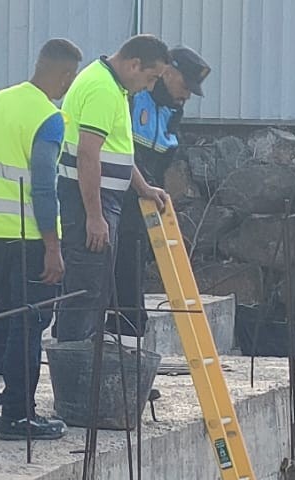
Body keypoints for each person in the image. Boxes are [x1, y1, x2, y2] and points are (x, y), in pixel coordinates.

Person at [0, 39, 81, 439]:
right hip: (30, 234)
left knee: (2, 318)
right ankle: (17, 414)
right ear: (64, 75)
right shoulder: (48, 117)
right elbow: (44, 187)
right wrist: (53, 246)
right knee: (29, 324)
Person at [51, 36, 177, 346]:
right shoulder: (103, 90)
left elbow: (115, 150)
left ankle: (86, 371)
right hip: (90, 201)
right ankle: (75, 371)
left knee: (97, 288)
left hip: (101, 197)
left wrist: (142, 186)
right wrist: (94, 216)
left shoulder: (111, 84)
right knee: (86, 290)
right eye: (150, 78)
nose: (149, 87)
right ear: (134, 65)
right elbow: (88, 154)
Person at [112, 45, 210, 340]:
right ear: (167, 71)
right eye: (184, 85)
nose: (187, 95)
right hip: (116, 199)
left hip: (143, 206)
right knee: (115, 282)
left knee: (133, 279)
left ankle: (131, 357)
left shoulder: (171, 111)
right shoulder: (132, 97)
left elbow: (162, 160)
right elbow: (119, 150)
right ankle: (119, 354)